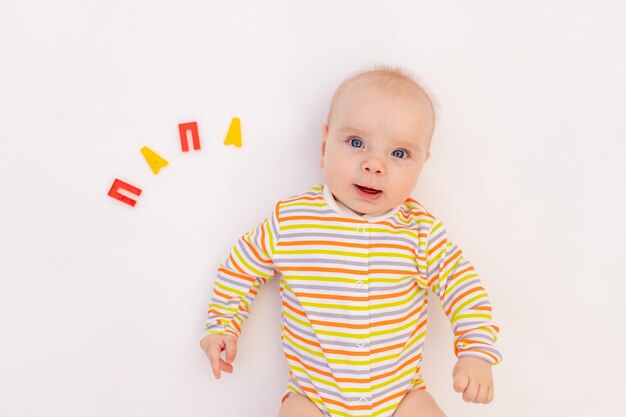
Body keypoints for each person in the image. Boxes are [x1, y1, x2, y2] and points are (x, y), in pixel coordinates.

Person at [200, 65, 502, 417]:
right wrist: (222, 324)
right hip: (313, 397)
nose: (374, 165)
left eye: (399, 154)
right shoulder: (291, 221)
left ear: (422, 165)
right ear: (325, 144)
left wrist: (475, 352)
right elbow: (240, 269)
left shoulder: (420, 232)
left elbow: (463, 285)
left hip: (401, 396)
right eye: (356, 143)